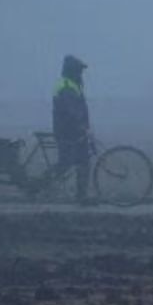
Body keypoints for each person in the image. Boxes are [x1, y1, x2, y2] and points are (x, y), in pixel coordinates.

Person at [52, 54, 92, 203]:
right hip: (69, 131)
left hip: (72, 130)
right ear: (72, 71)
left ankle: (81, 196)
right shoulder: (67, 86)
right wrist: (82, 126)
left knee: (78, 162)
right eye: (79, 70)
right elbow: (71, 111)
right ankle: (81, 196)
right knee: (69, 163)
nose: (81, 73)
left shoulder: (72, 84)